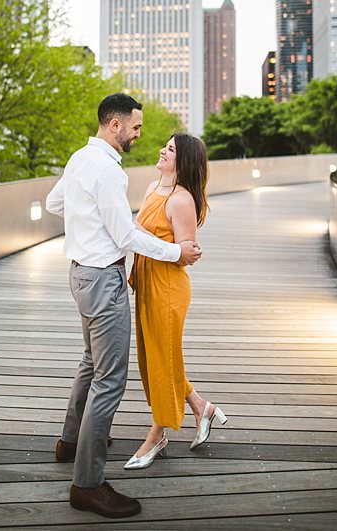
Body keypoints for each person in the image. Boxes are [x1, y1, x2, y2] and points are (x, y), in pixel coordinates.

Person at [45, 93, 202, 518]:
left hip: (79, 272)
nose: (138, 134)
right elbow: (126, 237)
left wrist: (87, 224)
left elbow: (54, 204)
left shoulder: (80, 158)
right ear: (115, 126)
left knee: (89, 363)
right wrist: (177, 254)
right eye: (134, 127)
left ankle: (70, 442)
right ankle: (88, 484)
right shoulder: (109, 171)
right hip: (102, 279)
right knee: (109, 380)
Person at [123, 133, 230, 470]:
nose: (162, 150)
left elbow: (186, 255)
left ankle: (158, 435)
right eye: (164, 145)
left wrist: (153, 244)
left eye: (170, 149)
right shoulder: (154, 188)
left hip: (168, 289)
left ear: (183, 160)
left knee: (163, 361)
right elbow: (135, 231)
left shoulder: (182, 200)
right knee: (156, 357)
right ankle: (202, 408)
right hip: (146, 281)